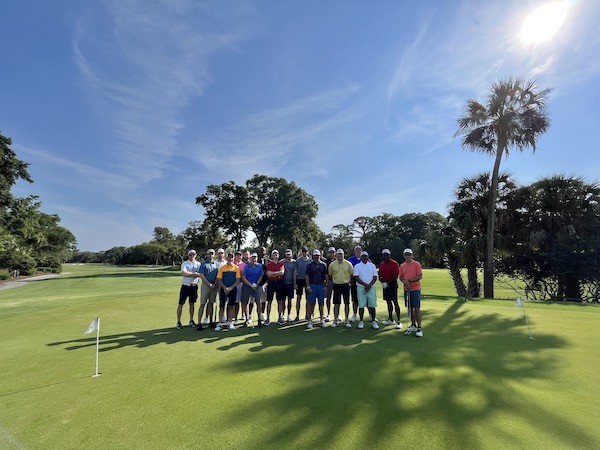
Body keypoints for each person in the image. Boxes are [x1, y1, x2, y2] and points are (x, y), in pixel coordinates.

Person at [399, 248, 423, 337]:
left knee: (416, 308)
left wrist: (409, 281)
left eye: (409, 254)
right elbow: (400, 277)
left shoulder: (416, 264)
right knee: (409, 308)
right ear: (404, 255)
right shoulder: (402, 265)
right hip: (406, 289)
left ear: (412, 255)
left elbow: (419, 276)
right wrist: (405, 282)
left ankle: (419, 328)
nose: (408, 256)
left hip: (415, 289)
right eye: (406, 254)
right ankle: (413, 325)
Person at [327, 249, 354, 328]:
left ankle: (346, 320)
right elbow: (330, 275)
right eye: (338, 255)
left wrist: (349, 282)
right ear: (336, 255)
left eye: (341, 254)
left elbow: (352, 274)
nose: (340, 256)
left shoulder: (348, 264)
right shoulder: (332, 264)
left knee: (346, 303)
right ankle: (335, 320)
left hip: (345, 285)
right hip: (336, 285)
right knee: (336, 303)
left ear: (343, 255)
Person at [353, 251, 379, 329]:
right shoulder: (357, 266)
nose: (364, 257)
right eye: (363, 256)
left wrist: (369, 285)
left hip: (371, 287)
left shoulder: (372, 265)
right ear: (361, 257)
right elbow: (356, 277)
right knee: (361, 305)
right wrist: (365, 285)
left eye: (366, 256)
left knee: (372, 305)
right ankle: (361, 321)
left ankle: (373, 321)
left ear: (368, 257)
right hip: (361, 288)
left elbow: (375, 277)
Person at [215, 252, 241, 332]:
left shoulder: (236, 268)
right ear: (227, 258)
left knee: (231, 306)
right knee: (222, 306)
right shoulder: (222, 268)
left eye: (232, 257)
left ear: (233, 258)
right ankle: (219, 323)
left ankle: (230, 322)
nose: (230, 259)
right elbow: (219, 279)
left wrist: (231, 287)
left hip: (233, 289)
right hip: (223, 289)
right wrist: (224, 287)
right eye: (229, 257)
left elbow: (237, 280)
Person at [176, 250, 202, 329]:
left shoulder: (198, 264)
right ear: (188, 255)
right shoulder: (185, 263)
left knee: (192, 304)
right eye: (190, 255)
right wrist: (194, 274)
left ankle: (191, 320)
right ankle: (178, 321)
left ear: (195, 255)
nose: (192, 256)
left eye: (193, 254)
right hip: (185, 286)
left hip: (194, 286)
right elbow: (184, 273)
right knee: (181, 303)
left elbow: (200, 274)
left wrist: (191, 274)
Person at [304, 249, 329, 328]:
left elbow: (326, 276)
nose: (316, 257)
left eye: (317, 255)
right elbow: (306, 276)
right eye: (315, 256)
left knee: (321, 303)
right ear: (313, 256)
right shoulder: (310, 265)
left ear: (320, 256)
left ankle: (322, 320)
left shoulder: (323, 265)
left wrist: (326, 286)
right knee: (311, 303)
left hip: (321, 285)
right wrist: (308, 286)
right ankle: (310, 321)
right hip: (312, 285)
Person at [378, 249, 402, 329]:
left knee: (395, 302)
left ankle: (399, 321)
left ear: (389, 255)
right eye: (384, 255)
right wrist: (381, 280)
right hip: (385, 286)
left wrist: (387, 282)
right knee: (388, 302)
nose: (385, 256)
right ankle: (390, 319)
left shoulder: (394, 263)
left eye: (387, 255)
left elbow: (395, 276)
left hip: (392, 285)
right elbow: (380, 274)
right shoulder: (381, 264)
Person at [197, 249, 219, 329]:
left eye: (212, 254)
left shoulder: (216, 264)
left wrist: (214, 283)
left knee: (211, 304)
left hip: (214, 286)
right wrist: (209, 284)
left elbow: (218, 275)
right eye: (209, 254)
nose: (210, 255)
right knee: (203, 304)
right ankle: (199, 323)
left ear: (214, 254)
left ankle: (211, 321)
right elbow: (202, 275)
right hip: (205, 286)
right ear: (207, 255)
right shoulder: (203, 264)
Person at [240, 253, 264, 326]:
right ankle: (247, 319)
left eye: (255, 257)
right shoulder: (246, 267)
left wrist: (256, 284)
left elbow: (261, 275)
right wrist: (250, 285)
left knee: (258, 303)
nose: (254, 259)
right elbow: (243, 277)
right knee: (245, 303)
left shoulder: (259, 266)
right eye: (253, 257)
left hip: (257, 286)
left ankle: (259, 319)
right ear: (250, 258)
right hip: (247, 286)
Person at [265, 250, 285, 326]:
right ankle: (268, 318)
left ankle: (280, 317)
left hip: (279, 283)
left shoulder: (281, 264)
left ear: (278, 256)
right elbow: (268, 274)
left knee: (279, 301)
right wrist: (277, 273)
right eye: (274, 255)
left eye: (276, 255)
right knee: (269, 301)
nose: (275, 256)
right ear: (272, 256)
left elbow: (282, 273)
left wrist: (273, 273)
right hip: (271, 283)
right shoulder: (269, 265)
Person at [292, 246, 311, 322]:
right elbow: (295, 272)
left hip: (307, 281)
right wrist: (295, 283)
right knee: (298, 299)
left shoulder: (310, 261)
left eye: (305, 251)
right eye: (303, 251)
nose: (304, 253)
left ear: (308, 252)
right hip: (299, 280)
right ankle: (297, 316)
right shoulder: (298, 261)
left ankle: (307, 315)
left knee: (308, 299)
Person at [281, 249, 297, 324]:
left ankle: (289, 315)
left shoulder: (294, 262)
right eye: (287, 254)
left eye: (289, 254)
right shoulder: (282, 262)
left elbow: (294, 273)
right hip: (283, 284)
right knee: (283, 301)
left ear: (291, 254)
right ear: (285, 255)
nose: (288, 256)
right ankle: (283, 315)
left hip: (290, 284)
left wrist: (294, 283)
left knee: (290, 301)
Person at [233, 251, 246, 322]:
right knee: (235, 301)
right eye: (237, 255)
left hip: (242, 283)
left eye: (240, 255)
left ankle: (243, 315)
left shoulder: (244, 265)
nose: (239, 257)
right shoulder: (232, 263)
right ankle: (234, 317)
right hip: (233, 284)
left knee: (242, 301)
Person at [324, 247, 336, 321]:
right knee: (328, 298)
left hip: (337, 281)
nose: (332, 253)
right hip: (329, 281)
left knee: (336, 298)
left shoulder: (338, 260)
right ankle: (328, 314)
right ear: (328, 253)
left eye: (333, 252)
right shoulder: (325, 262)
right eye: (330, 252)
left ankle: (337, 314)